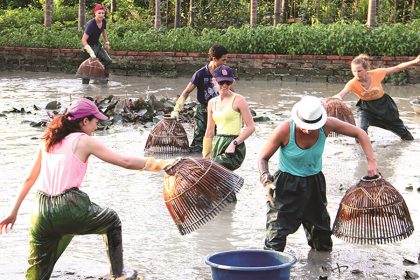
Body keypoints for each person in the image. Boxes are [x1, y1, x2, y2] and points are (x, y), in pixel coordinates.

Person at [0, 98, 174, 280]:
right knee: (112, 221)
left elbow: (29, 179)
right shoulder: (83, 140)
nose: (96, 127)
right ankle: (118, 274)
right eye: (95, 122)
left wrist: (13, 212)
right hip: (67, 206)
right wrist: (163, 165)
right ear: (84, 121)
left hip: (39, 211)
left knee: (37, 272)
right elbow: (125, 161)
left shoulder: (48, 139)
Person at [258, 95, 379, 252]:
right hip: (286, 185)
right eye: (304, 125)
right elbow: (263, 158)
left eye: (312, 126)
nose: (308, 129)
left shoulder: (327, 125)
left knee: (322, 239)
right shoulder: (285, 129)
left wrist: (372, 162)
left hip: (314, 184)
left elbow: (360, 134)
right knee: (276, 237)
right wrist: (266, 181)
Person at [333, 54, 420, 141]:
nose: (356, 74)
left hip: (384, 105)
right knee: (360, 131)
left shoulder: (377, 73)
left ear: (366, 69)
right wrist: (336, 98)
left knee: (405, 135)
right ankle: (362, 152)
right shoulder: (352, 83)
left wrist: (414, 61)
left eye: (359, 71)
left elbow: (397, 68)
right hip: (366, 108)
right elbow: (341, 94)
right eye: (354, 71)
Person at [171, 44, 228, 152]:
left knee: (219, 139)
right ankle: (195, 162)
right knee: (198, 139)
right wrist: (177, 109)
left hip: (219, 111)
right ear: (214, 59)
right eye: (223, 60)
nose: (225, 63)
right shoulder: (200, 74)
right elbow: (187, 91)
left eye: (226, 60)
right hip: (203, 110)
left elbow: (232, 92)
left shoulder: (224, 73)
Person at [202, 65, 255, 171]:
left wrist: (234, 143)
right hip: (217, 144)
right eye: (221, 82)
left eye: (228, 82)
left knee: (213, 167)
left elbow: (251, 127)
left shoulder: (239, 100)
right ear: (214, 81)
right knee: (209, 170)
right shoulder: (212, 103)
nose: (225, 85)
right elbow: (209, 131)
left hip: (234, 146)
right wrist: (205, 156)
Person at [81, 4, 112, 84]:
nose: (101, 15)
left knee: (108, 60)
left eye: (103, 13)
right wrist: (91, 52)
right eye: (99, 13)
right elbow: (83, 40)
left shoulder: (103, 21)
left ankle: (103, 79)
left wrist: (107, 42)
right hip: (88, 47)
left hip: (97, 45)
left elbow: (103, 31)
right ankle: (85, 88)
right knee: (88, 69)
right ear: (95, 13)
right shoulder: (91, 24)